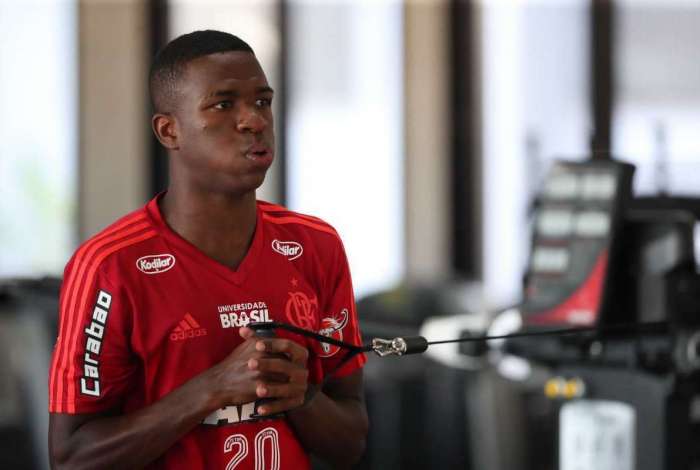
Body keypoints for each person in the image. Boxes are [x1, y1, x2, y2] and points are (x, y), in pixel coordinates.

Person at [48, 30, 368, 469]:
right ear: (169, 130)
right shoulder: (109, 266)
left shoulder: (315, 245)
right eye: (223, 104)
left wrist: (299, 394)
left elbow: (350, 442)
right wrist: (214, 387)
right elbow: (72, 458)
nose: (253, 120)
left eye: (262, 101)